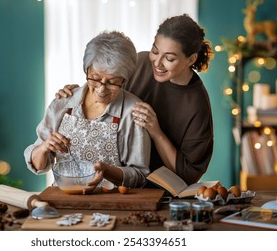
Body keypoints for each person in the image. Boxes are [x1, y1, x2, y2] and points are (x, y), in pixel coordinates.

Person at [56, 14, 214, 185]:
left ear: (191, 59)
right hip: (113, 181)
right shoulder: (140, 63)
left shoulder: (197, 105)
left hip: (158, 192)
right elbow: (105, 86)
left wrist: (156, 131)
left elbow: (188, 174)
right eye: (155, 51)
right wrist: (78, 92)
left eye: (169, 58)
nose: (157, 63)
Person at [24, 30, 151, 189]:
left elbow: (139, 176)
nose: (102, 89)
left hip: (112, 203)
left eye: (112, 82)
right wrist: (44, 148)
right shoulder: (63, 103)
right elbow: (38, 165)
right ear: (87, 70)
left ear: (124, 79)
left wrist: (107, 171)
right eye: (95, 78)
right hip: (66, 199)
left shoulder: (133, 112)